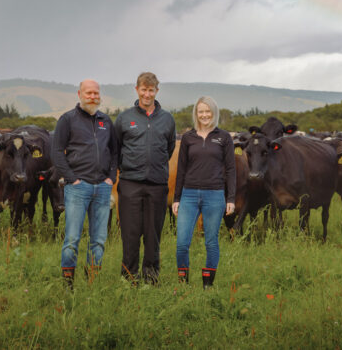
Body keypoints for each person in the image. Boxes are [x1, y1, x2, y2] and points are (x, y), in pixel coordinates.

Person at [52, 79, 118, 287]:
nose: (92, 97)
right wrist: (73, 179)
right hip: (78, 188)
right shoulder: (67, 120)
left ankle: (92, 281)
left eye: (96, 93)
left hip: (102, 187)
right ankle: (68, 284)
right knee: (72, 239)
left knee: (98, 240)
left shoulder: (106, 121)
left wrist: (111, 178)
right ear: (79, 94)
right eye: (88, 93)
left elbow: (115, 152)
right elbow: (56, 152)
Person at [113, 72, 176, 285]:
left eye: (151, 90)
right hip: (130, 183)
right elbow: (116, 148)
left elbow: (169, 148)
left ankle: (151, 279)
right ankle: (129, 278)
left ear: (156, 91)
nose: (147, 94)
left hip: (157, 185)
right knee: (130, 234)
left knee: (153, 235)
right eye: (143, 89)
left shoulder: (167, 118)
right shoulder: (124, 118)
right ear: (137, 89)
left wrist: (154, 166)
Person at [172, 96, 235, 289]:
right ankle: (183, 284)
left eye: (208, 111)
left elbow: (231, 169)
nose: (205, 115)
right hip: (189, 195)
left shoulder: (224, 137)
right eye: (201, 111)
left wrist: (230, 198)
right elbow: (181, 169)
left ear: (214, 113)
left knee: (211, 241)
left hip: (214, 195)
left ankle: (208, 285)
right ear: (196, 114)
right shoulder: (188, 138)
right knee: (182, 243)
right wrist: (176, 198)